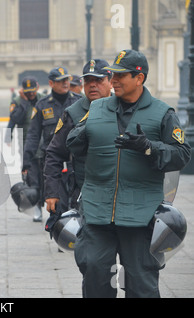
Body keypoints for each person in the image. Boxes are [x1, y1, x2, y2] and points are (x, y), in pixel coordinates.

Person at [66, 49, 191, 298]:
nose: (113, 81)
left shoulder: (162, 113)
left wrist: (149, 148)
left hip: (140, 214)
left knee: (141, 284)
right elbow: (72, 143)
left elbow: (182, 154)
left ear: (139, 77)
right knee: (94, 272)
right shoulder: (98, 108)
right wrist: (84, 132)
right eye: (113, 75)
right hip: (96, 210)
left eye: (121, 76)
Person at [44, 59, 112, 217]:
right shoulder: (73, 113)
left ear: (111, 81)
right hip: (85, 193)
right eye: (88, 80)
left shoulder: (124, 107)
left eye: (99, 80)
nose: (93, 85)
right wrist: (52, 192)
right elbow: (54, 153)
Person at [22, 68, 81, 222]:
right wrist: (26, 161)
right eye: (61, 80)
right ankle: (61, 239)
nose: (65, 83)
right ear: (51, 83)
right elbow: (33, 135)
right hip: (52, 162)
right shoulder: (42, 105)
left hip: (76, 161)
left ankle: (74, 239)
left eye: (66, 80)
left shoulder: (79, 102)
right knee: (57, 204)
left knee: (76, 203)